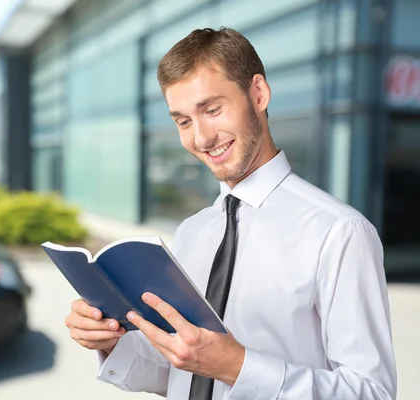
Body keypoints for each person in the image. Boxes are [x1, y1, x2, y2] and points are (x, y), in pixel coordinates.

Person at [64, 27, 397, 400]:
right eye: (183, 121)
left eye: (212, 109)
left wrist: (235, 366)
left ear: (258, 93)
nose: (202, 138)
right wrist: (109, 343)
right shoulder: (193, 231)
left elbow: (372, 393)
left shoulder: (339, 231)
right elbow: (182, 375)